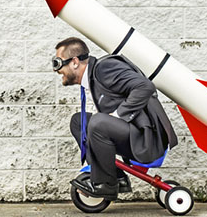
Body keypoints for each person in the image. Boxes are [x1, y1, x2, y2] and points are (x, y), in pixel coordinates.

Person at [53, 36, 178, 200]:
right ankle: (116, 178)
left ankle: (105, 184)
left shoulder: (104, 68)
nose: (56, 70)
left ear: (75, 61)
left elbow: (145, 86)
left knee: (98, 122)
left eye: (58, 63)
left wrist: (119, 115)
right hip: (133, 135)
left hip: (147, 140)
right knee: (79, 121)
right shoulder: (93, 78)